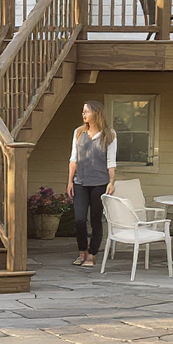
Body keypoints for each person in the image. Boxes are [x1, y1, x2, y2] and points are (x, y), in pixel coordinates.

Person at [66, 101, 117, 268]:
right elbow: (73, 159)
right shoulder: (78, 132)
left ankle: (91, 254)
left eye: (86, 111)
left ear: (96, 113)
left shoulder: (109, 134)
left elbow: (111, 161)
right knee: (79, 219)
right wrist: (70, 181)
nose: (83, 114)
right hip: (80, 182)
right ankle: (82, 251)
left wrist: (111, 182)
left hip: (100, 183)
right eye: (83, 111)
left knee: (95, 219)